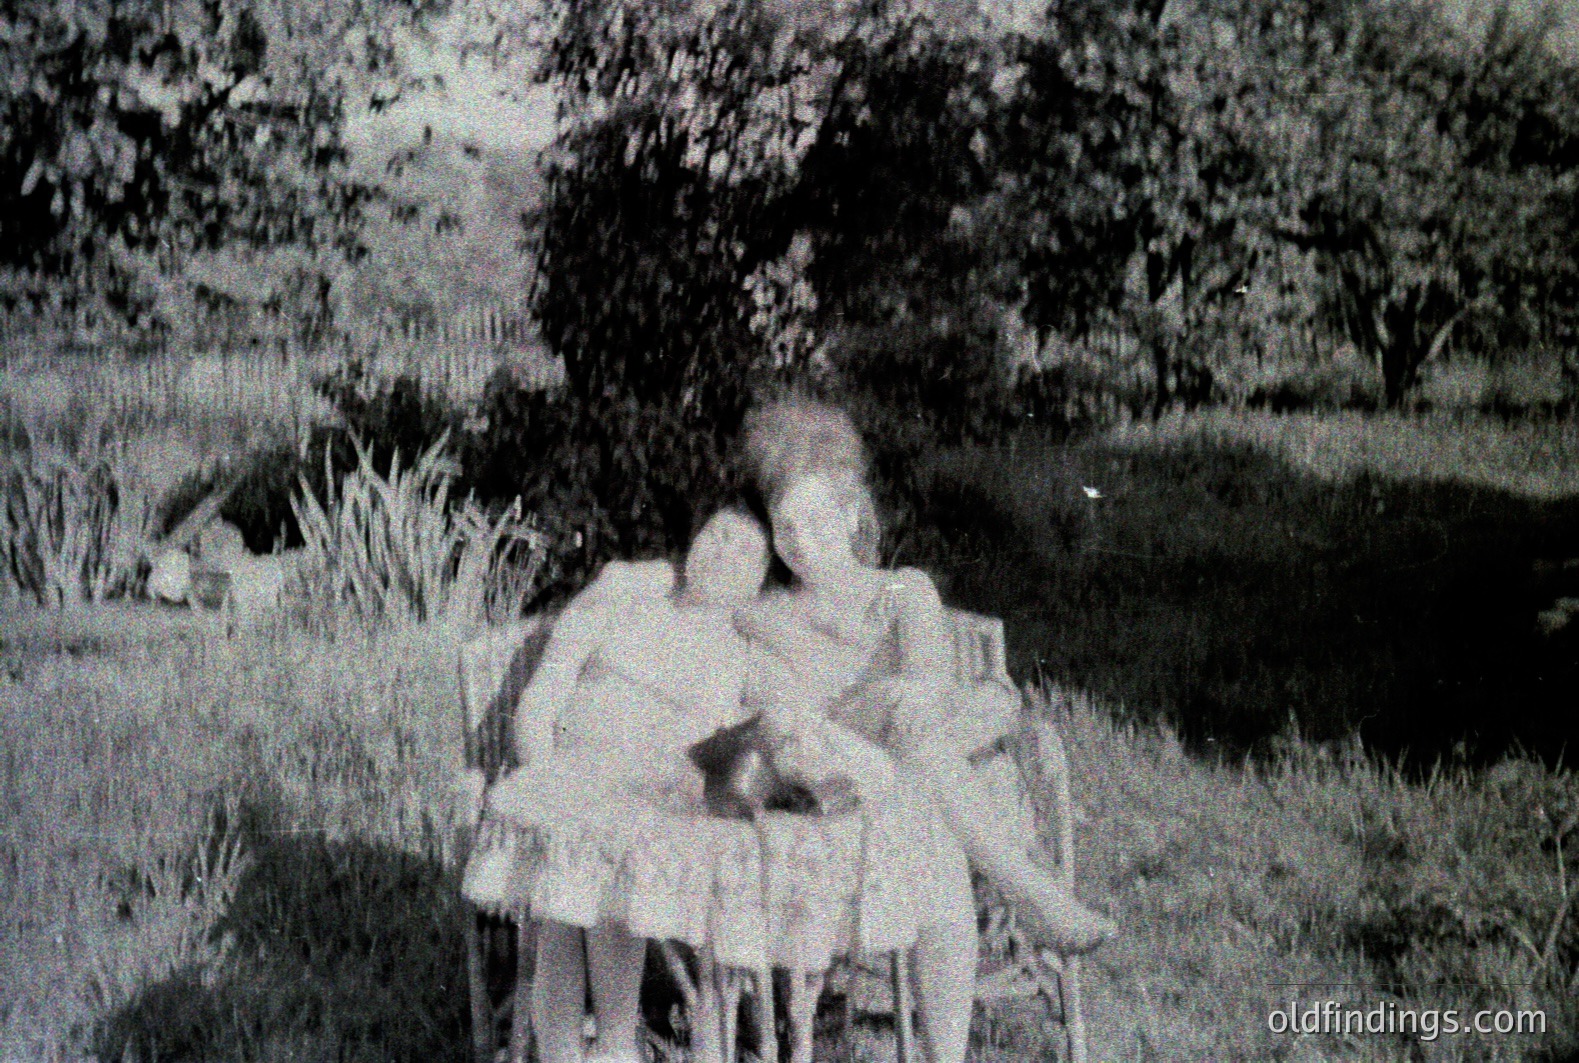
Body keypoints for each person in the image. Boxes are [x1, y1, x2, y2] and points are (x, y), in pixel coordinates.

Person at [734, 394, 1117, 1063]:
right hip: (834, 779)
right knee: (897, 711)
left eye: (819, 520)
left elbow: (932, 692)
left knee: (926, 805)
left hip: (913, 775)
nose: (802, 542)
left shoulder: (904, 590)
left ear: (852, 512)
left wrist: (911, 706)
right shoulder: (764, 616)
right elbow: (776, 715)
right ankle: (1029, 892)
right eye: (785, 527)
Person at [475, 508, 774, 1063]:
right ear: (693, 541)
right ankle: (593, 1051)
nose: (722, 551)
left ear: (756, 583)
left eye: (744, 550)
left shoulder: (742, 652)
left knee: (589, 880)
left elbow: (763, 740)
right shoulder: (624, 600)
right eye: (716, 534)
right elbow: (540, 700)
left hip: (654, 804)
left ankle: (607, 1044)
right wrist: (545, 775)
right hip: (568, 776)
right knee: (573, 875)